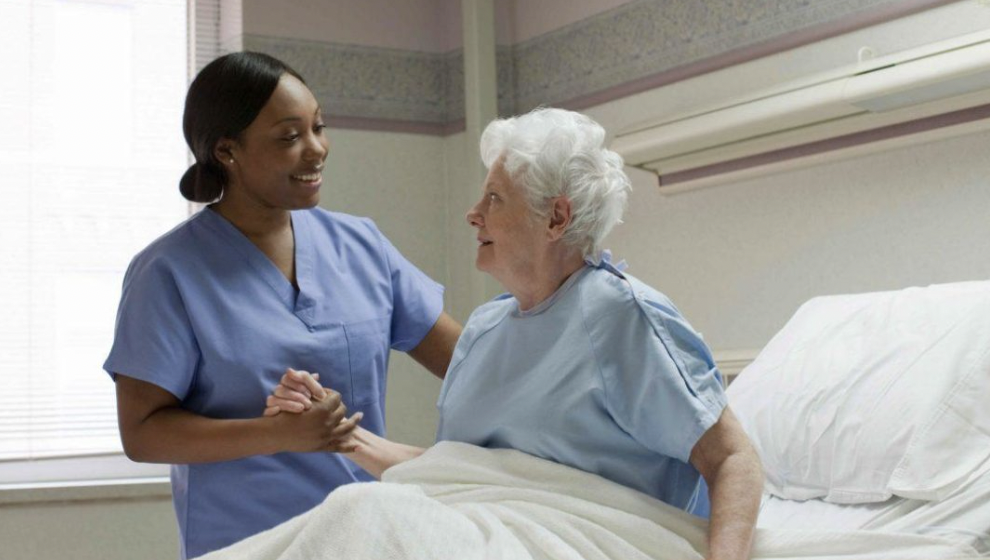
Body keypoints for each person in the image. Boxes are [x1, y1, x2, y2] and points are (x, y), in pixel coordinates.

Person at [268, 108, 765, 560]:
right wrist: (339, 432)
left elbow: (732, 458)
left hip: (595, 536)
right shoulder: (486, 328)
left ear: (556, 217)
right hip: (487, 531)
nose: (473, 213)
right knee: (348, 514)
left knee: (365, 514)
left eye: (494, 197)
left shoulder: (622, 317)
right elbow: (457, 476)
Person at [103, 51, 462, 559]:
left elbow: (469, 364)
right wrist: (276, 434)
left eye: (319, 127)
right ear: (228, 151)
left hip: (365, 538)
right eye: (290, 137)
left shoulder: (361, 246)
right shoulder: (168, 272)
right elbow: (142, 434)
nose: (317, 149)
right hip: (246, 544)